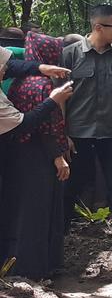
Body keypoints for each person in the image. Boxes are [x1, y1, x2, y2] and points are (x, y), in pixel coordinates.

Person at [61, 4, 112, 240]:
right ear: (98, 27)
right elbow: (61, 98)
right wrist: (61, 134)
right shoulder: (69, 55)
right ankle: (57, 241)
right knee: (69, 189)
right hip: (77, 135)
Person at [0, 32, 73, 279]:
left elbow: (15, 66)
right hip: (37, 157)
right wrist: (58, 155)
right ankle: (34, 269)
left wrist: (42, 67)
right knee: (38, 213)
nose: (5, 71)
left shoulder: (20, 83)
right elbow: (43, 127)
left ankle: (15, 265)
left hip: (16, 156)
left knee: (18, 212)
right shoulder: (42, 86)